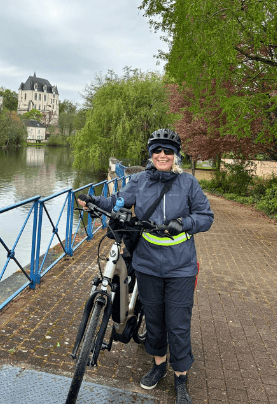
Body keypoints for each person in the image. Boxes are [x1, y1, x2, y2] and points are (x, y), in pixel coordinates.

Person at [78, 128, 213, 404]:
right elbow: (118, 201)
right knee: (154, 318)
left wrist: (184, 223)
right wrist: (94, 201)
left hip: (181, 266)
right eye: (157, 151)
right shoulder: (139, 181)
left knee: (177, 323)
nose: (162, 155)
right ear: (151, 155)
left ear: (175, 155)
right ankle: (159, 365)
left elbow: (206, 216)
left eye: (167, 151)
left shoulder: (188, 184)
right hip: (148, 263)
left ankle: (181, 378)